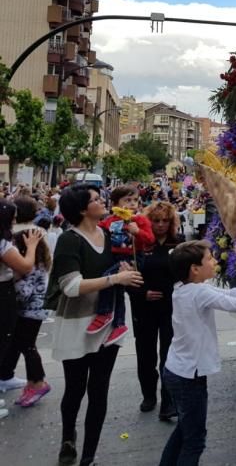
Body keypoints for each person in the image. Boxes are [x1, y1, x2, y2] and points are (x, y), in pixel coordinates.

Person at [48, 184, 143, 466]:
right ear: (81, 209)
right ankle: (68, 438)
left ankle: (89, 456)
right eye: (95, 199)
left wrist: (125, 269)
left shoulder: (109, 233)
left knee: (99, 389)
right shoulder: (69, 240)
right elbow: (71, 286)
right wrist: (115, 280)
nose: (102, 201)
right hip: (78, 323)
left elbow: (121, 263)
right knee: (75, 388)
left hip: (109, 323)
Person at [159, 241, 236, 466]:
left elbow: (229, 294)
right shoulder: (198, 292)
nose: (214, 261)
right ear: (194, 268)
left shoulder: (186, 289)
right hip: (187, 376)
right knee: (194, 440)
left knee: (184, 430)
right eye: (209, 258)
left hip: (178, 370)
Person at [0, 197, 53, 408]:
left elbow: (26, 290)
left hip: (32, 312)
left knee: (27, 345)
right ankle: (6, 374)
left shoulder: (33, 269)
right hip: (31, 311)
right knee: (15, 343)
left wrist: (14, 280)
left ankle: (37, 382)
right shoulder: (36, 246)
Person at [130, 201, 180, 419]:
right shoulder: (139, 244)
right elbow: (127, 277)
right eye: (156, 221)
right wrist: (143, 293)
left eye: (165, 221)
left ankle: (168, 402)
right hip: (143, 308)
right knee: (145, 355)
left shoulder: (177, 244)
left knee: (168, 355)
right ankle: (148, 395)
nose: (160, 225)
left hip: (171, 308)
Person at [86, 185, 154, 346]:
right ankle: (119, 324)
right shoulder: (110, 221)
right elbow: (97, 230)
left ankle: (105, 313)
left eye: (135, 200)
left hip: (132, 258)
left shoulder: (139, 220)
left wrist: (137, 232)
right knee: (117, 291)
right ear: (116, 203)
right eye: (127, 200)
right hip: (114, 257)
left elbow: (150, 240)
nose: (132, 204)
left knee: (108, 279)